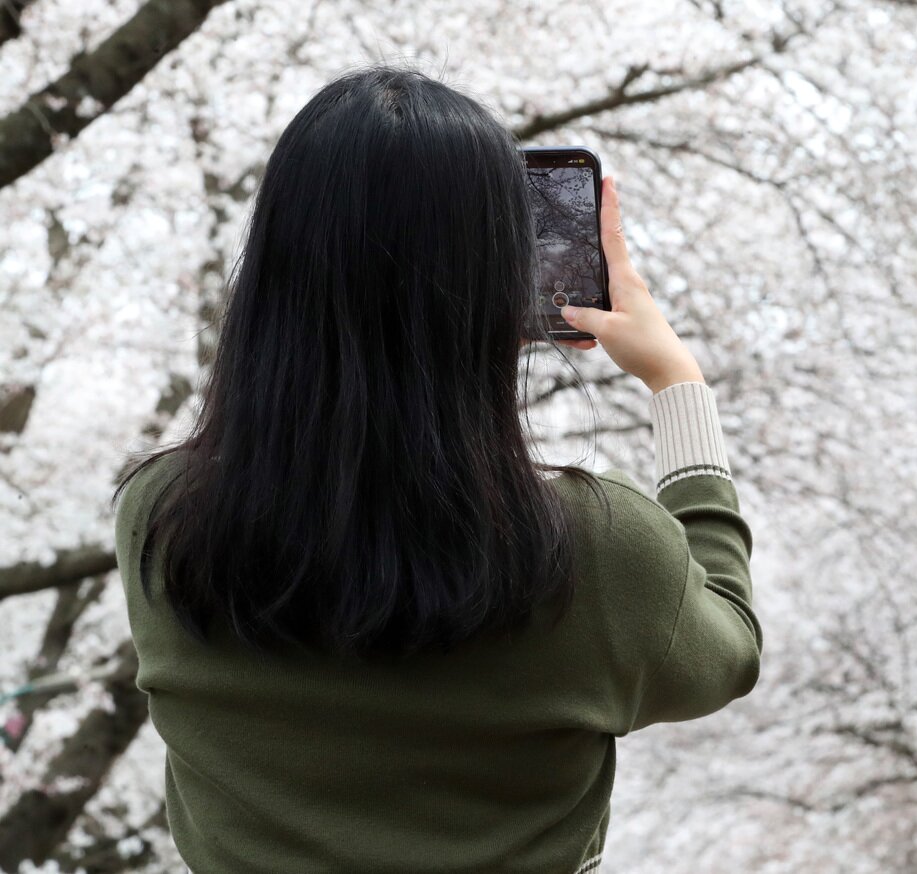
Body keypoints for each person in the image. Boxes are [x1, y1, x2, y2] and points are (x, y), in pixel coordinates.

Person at [114, 65, 760, 874]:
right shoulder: (595, 547)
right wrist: (677, 386)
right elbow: (727, 649)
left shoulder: (160, 515)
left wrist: (433, 335)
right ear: (502, 276)